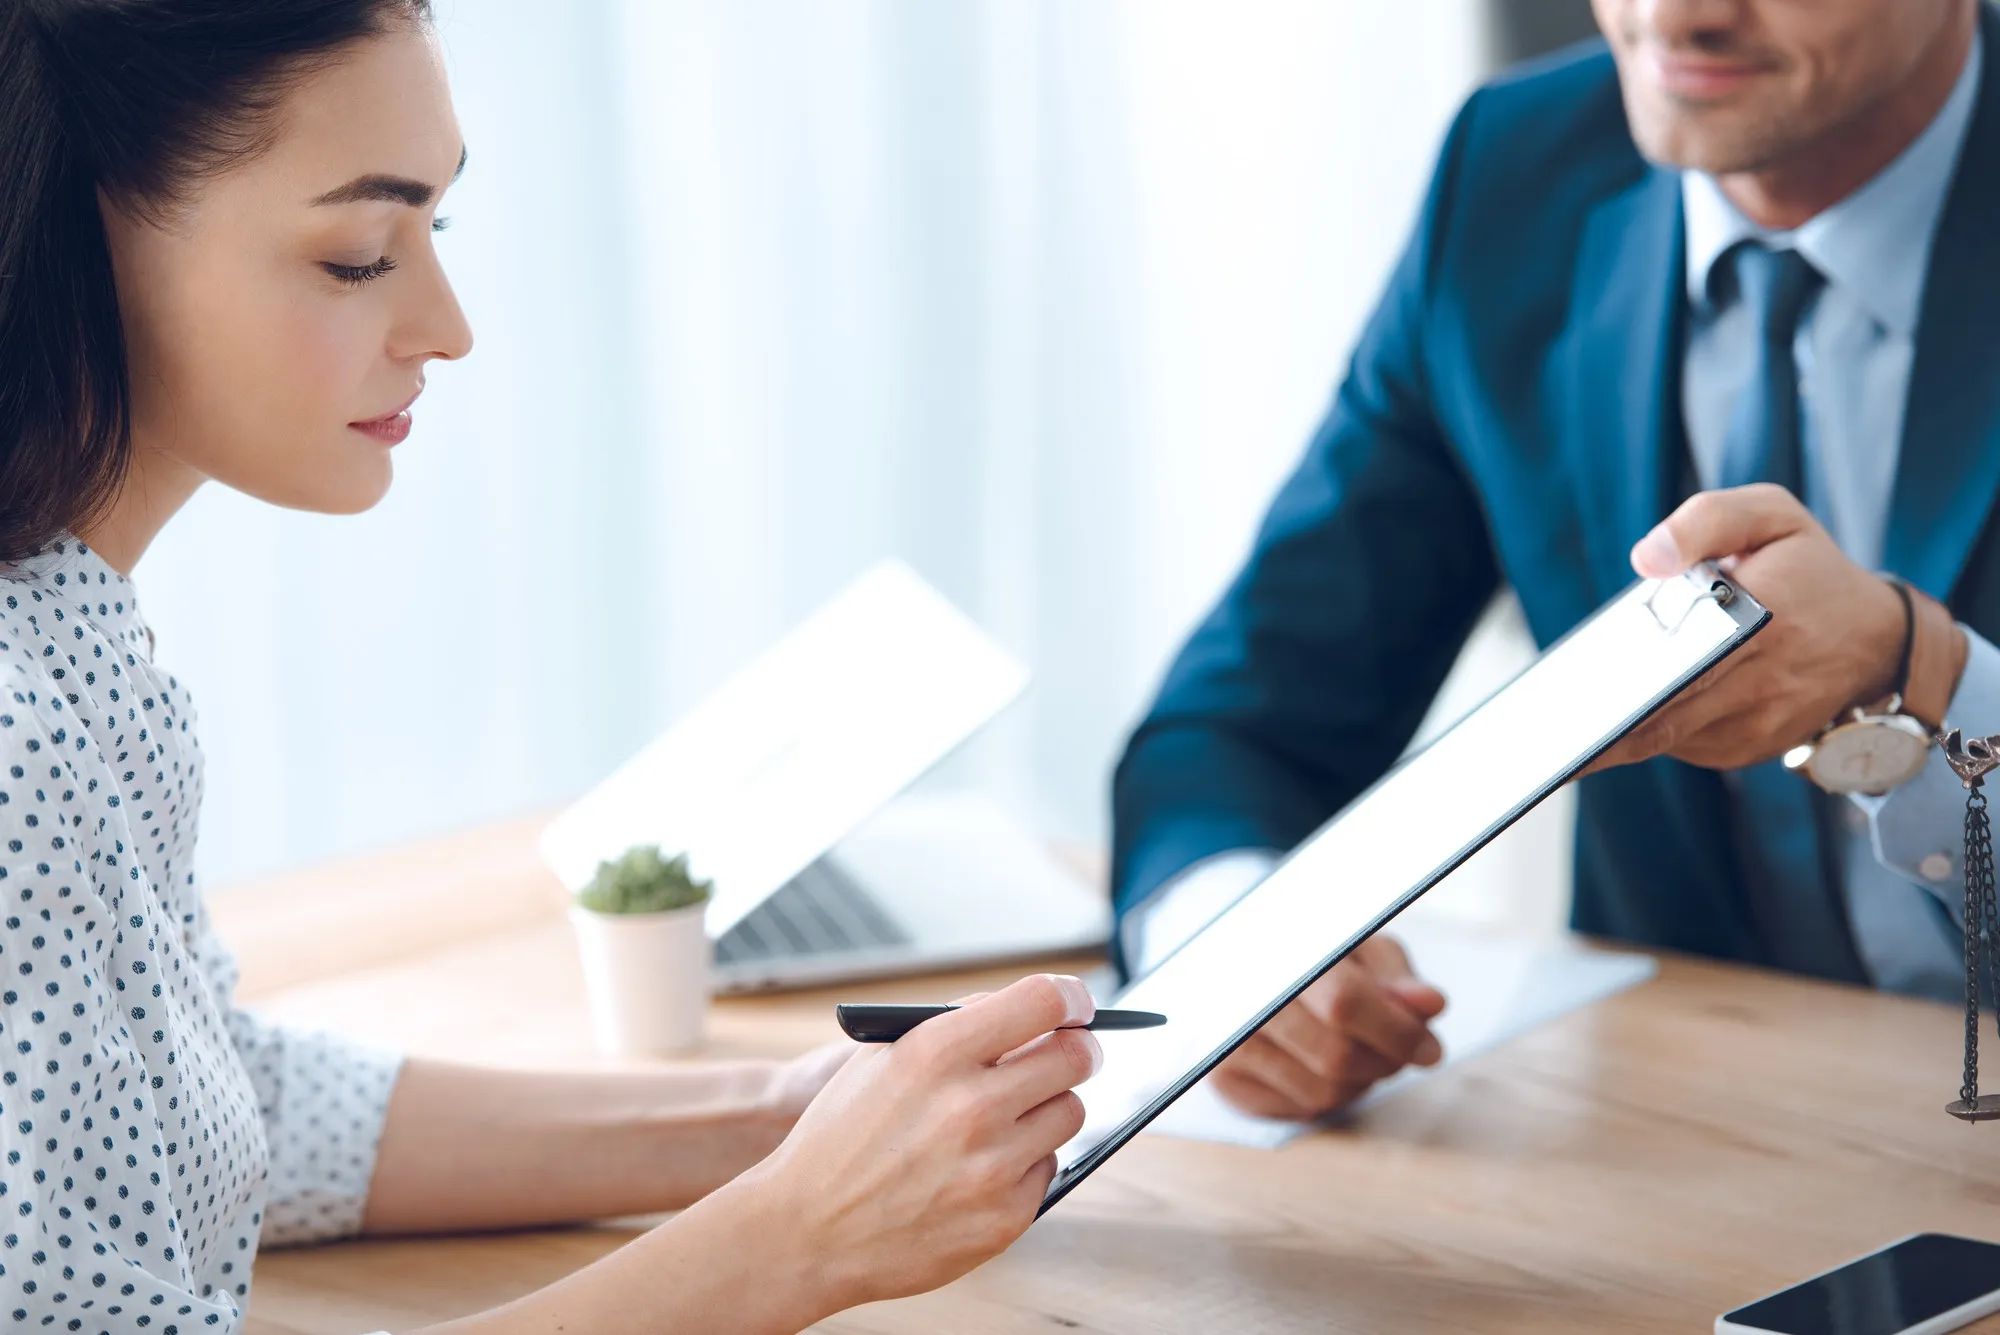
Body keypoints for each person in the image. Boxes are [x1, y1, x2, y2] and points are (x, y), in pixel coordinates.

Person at [0, 3, 1101, 1331]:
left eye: (435, 232)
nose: (448, 326)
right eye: (358, 254)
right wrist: (797, 1240)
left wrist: (778, 1116)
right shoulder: (19, 727)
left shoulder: (71, 634)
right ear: (70, 228)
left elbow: (210, 1100)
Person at [1113, 0, 2000, 1122]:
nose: (1673, 15)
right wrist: (1234, 949)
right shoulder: (1512, 174)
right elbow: (1244, 723)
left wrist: (1916, 672)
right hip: (1687, 1132)